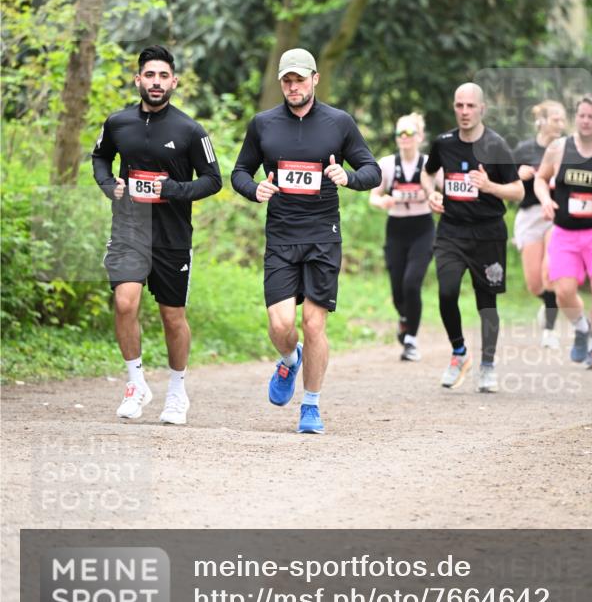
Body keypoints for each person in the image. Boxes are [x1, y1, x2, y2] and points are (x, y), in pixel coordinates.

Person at [231, 48, 381, 434]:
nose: (293, 87)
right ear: (281, 83)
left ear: (315, 79)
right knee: (281, 324)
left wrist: (349, 178)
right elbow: (240, 171)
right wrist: (254, 188)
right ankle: (288, 358)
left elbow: (372, 170)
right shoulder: (263, 124)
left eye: (299, 79)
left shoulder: (339, 123)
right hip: (281, 236)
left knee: (314, 325)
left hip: (322, 237)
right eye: (287, 81)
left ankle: (311, 405)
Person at [92, 45, 222, 425]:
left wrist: (174, 191)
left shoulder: (190, 130)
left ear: (174, 82)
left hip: (172, 235)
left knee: (172, 316)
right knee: (125, 302)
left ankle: (177, 392)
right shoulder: (118, 123)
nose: (156, 82)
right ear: (138, 80)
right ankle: (136, 384)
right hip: (129, 227)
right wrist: (108, 184)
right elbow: (100, 156)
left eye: (163, 76)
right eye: (149, 75)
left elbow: (214, 180)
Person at [421, 83, 524, 392]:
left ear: (482, 109)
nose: (464, 112)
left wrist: (490, 186)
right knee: (447, 292)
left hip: (488, 234)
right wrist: (431, 194)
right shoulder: (444, 143)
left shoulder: (496, 146)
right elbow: (428, 173)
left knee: (486, 303)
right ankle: (458, 352)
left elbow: (518, 191)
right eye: (459, 106)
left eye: (470, 106)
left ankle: (488, 365)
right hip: (451, 230)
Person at [533, 95, 592, 369]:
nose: (585, 121)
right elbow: (539, 179)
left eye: (591, 116)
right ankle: (582, 327)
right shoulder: (559, 148)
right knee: (564, 291)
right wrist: (546, 200)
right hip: (565, 231)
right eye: (581, 115)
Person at [369, 113, 436, 362]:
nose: (404, 138)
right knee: (398, 289)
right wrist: (382, 201)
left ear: (419, 137)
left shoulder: (430, 164)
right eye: (400, 134)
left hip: (423, 229)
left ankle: (411, 341)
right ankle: (405, 319)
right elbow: (373, 196)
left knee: (411, 283)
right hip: (396, 229)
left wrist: (437, 198)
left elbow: (444, 191)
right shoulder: (387, 164)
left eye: (409, 133)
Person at [513, 100, 567, 350]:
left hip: (556, 215)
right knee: (534, 282)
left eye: (563, 119)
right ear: (542, 121)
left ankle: (550, 330)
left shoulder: (567, 150)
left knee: (549, 273)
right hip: (529, 215)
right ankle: (548, 305)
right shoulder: (523, 150)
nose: (561, 123)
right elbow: (506, 182)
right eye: (556, 118)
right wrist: (518, 174)